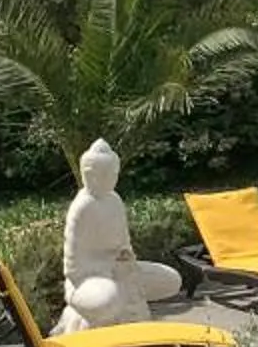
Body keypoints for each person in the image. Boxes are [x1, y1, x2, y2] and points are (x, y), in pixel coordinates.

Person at [57, 138, 182, 333]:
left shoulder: (115, 200)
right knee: (109, 299)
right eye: (107, 174)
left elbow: (124, 244)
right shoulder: (82, 207)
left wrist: (126, 257)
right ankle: (85, 317)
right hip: (87, 281)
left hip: (120, 273)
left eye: (115, 173)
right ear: (89, 175)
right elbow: (73, 270)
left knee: (172, 280)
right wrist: (107, 265)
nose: (113, 178)